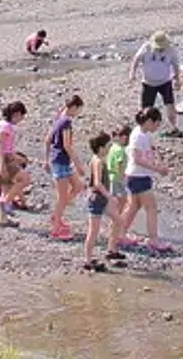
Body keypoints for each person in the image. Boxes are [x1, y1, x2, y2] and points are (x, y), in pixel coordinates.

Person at [112, 107, 169, 253]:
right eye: (157, 123)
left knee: (133, 207)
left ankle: (119, 234)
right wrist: (157, 169)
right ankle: (153, 240)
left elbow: (146, 153)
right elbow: (137, 159)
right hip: (138, 176)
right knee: (151, 208)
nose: (157, 127)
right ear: (149, 121)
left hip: (136, 175)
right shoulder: (138, 136)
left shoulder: (141, 133)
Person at [46, 94, 86, 240]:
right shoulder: (66, 122)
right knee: (62, 197)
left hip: (61, 160)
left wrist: (46, 158)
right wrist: (78, 164)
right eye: (79, 109)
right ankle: (55, 229)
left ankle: (56, 215)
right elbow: (67, 145)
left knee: (78, 187)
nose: (78, 113)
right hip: (61, 161)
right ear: (74, 107)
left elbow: (47, 139)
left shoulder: (58, 118)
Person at [128, 31, 182, 136]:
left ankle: (174, 128)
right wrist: (132, 73)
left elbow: (176, 64)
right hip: (148, 83)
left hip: (165, 82)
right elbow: (136, 60)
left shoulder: (170, 50)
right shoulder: (146, 47)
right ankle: (142, 130)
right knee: (146, 108)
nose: (160, 49)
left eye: (162, 47)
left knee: (170, 105)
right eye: (158, 47)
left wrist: (177, 79)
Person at [0, 102, 27, 227]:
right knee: (24, 179)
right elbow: (1, 148)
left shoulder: (1, 124)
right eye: (21, 116)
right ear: (16, 114)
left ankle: (3, 219)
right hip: (2, 159)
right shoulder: (6, 127)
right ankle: (6, 202)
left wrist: (18, 158)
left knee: (5, 187)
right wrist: (2, 165)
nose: (22, 119)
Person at [82, 130, 114, 272]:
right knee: (93, 231)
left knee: (117, 219)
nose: (109, 148)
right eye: (108, 146)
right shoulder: (99, 161)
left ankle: (112, 248)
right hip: (97, 197)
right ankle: (88, 260)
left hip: (99, 197)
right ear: (101, 148)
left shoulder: (96, 159)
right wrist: (109, 196)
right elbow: (97, 183)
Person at [101, 126, 131, 264]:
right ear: (124, 137)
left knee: (115, 214)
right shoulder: (121, 151)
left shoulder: (112, 147)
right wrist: (124, 180)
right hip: (117, 183)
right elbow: (120, 169)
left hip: (110, 180)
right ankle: (113, 246)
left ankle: (112, 241)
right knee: (118, 215)